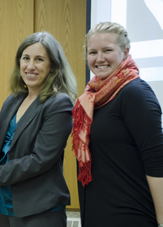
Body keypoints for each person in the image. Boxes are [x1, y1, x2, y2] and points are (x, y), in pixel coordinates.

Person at [0, 31, 77, 226]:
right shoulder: (14, 99)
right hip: (6, 205)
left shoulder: (58, 104)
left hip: (40, 210)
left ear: (53, 66)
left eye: (39, 59)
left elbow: (40, 160)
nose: (30, 66)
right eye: (26, 58)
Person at [72, 22, 163, 227]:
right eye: (93, 52)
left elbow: (156, 160)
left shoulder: (135, 93)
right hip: (98, 213)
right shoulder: (91, 98)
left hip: (131, 216)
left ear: (125, 51)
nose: (99, 58)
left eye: (107, 50)